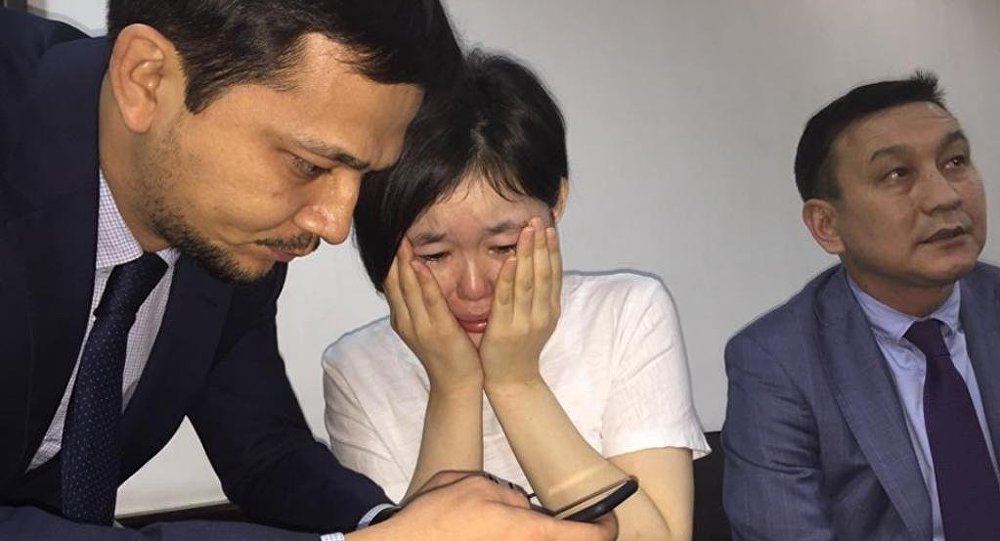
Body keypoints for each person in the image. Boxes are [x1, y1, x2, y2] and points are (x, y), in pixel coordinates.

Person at [0, 4, 617, 541]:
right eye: (308, 165)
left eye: (364, 175)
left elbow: (264, 451)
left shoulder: (232, 234)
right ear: (147, 79)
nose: (335, 224)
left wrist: (390, 525)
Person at [322, 50, 710, 541]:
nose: (473, 287)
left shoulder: (627, 314)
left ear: (556, 203)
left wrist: (517, 382)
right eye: (435, 254)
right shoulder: (356, 369)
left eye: (503, 246)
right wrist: (455, 387)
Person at [722, 72, 1000, 541]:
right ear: (827, 225)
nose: (946, 196)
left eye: (955, 161)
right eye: (897, 174)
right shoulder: (776, 364)